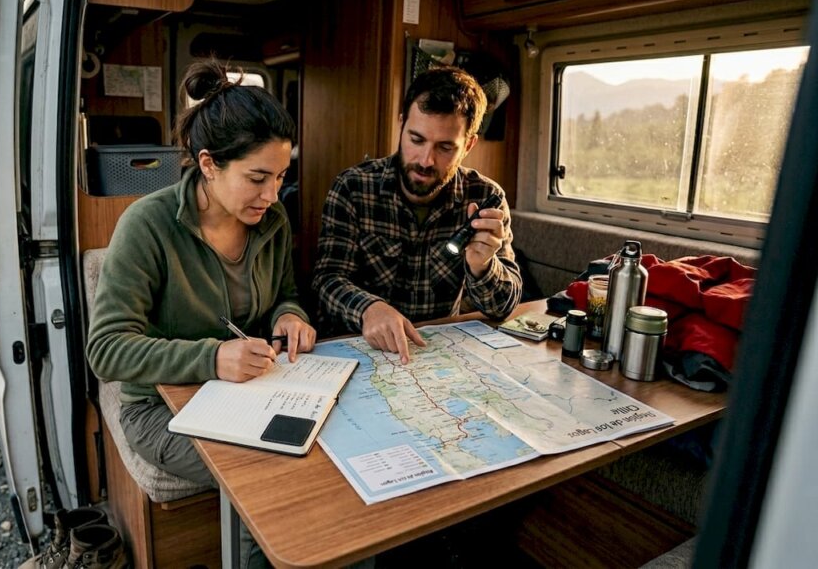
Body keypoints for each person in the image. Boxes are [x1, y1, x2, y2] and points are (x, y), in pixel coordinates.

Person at [86, 59, 315, 567]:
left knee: (319, 452)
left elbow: (286, 293)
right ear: (209, 164)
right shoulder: (146, 225)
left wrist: (289, 318)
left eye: (280, 177)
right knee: (269, 469)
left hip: (252, 389)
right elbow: (105, 351)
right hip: (162, 408)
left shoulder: (271, 219)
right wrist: (212, 359)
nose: (272, 195)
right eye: (257, 177)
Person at [312, 66, 523, 363]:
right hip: (358, 350)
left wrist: (483, 266)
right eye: (416, 139)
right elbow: (327, 279)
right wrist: (369, 308)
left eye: (445, 147)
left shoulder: (486, 198)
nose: (426, 160)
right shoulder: (353, 187)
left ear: (469, 145)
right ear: (401, 125)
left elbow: (504, 306)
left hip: (434, 353)